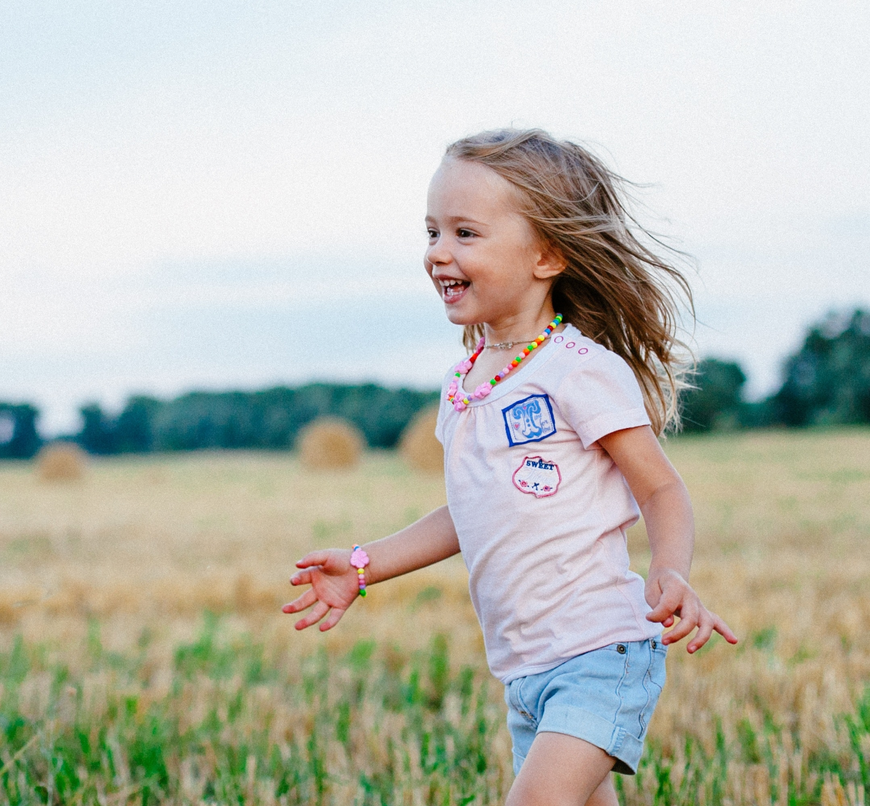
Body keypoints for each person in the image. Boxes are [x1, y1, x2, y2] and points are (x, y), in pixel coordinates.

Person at [282, 128, 738, 806]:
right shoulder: (465, 382)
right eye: (432, 231)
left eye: (466, 233)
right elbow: (469, 511)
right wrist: (363, 564)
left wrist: (670, 571)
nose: (439, 252)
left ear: (547, 254)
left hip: (599, 653)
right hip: (525, 670)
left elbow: (660, 486)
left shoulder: (580, 370)